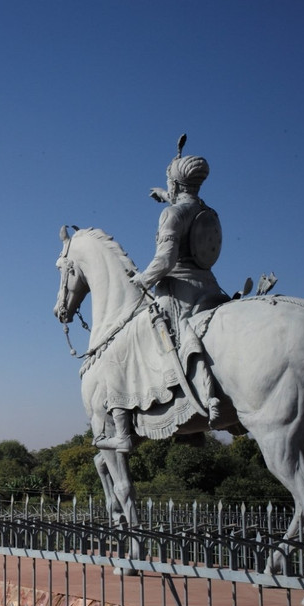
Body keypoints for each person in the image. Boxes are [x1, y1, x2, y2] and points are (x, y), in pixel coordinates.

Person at [95, 138, 228, 452]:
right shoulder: (207, 211)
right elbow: (186, 205)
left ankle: (124, 434)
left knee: (118, 351)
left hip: (177, 294)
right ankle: (188, 425)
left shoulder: (172, 216)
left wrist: (142, 279)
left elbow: (166, 260)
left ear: (176, 181)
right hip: (210, 290)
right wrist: (167, 196)